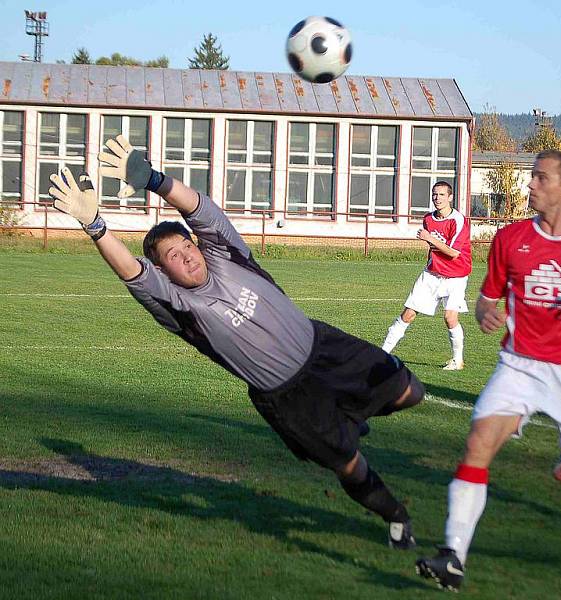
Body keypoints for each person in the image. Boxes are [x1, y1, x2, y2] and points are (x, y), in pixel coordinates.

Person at [48, 135, 426, 550]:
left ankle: (353, 415)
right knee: (349, 465)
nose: (186, 255)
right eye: (171, 256)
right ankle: (396, 517)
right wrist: (96, 226)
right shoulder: (179, 307)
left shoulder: (228, 255)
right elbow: (133, 275)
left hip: (325, 348)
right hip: (287, 398)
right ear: (163, 269)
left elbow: (202, 209)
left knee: (413, 393)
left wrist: (152, 178)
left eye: (186, 245)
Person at [414, 151, 561, 591]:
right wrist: (487, 313)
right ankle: (453, 555)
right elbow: (488, 297)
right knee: (478, 443)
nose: (530, 186)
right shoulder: (510, 239)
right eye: (531, 178)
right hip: (519, 366)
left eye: (540, 179)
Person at [381, 182, 472, 370]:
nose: (437, 198)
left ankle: (457, 360)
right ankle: (382, 354)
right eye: (434, 194)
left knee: (450, 317)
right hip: (431, 274)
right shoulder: (428, 219)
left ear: (450, 197)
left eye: (441, 194)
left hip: (456, 276)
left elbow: (454, 253)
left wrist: (429, 238)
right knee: (408, 314)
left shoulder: (459, 220)